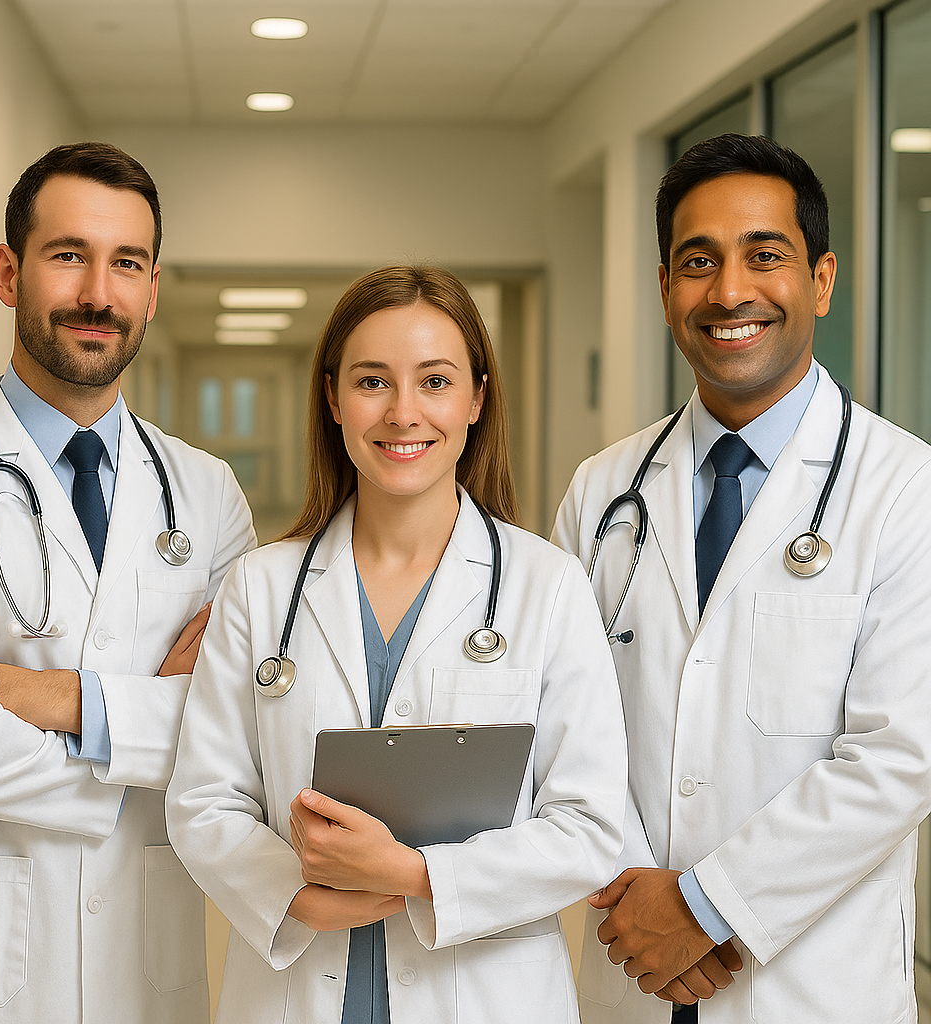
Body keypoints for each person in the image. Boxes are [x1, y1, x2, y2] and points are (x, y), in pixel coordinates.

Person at [165, 264, 628, 1024]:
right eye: (373, 380)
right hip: (297, 988)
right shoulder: (261, 588)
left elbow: (589, 828)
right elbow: (204, 802)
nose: (403, 413)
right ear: (333, 398)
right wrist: (293, 892)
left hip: (485, 995)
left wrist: (417, 875)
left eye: (436, 382)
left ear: (478, 398)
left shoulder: (546, 587)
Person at [553, 131, 931, 1024]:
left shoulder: (905, 488)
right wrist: (644, 908)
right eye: (698, 261)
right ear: (664, 289)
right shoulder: (604, 490)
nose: (729, 291)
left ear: (822, 281)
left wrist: (705, 907)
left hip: (811, 983)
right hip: (629, 965)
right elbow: (562, 731)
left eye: (766, 255)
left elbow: (898, 757)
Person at [0, 142, 255, 1023]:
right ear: (7, 271)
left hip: (152, 979)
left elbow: (244, 737)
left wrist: (49, 698)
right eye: (69, 256)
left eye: (126, 263)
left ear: (152, 286)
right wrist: (149, 731)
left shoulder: (206, 492)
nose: (99, 292)